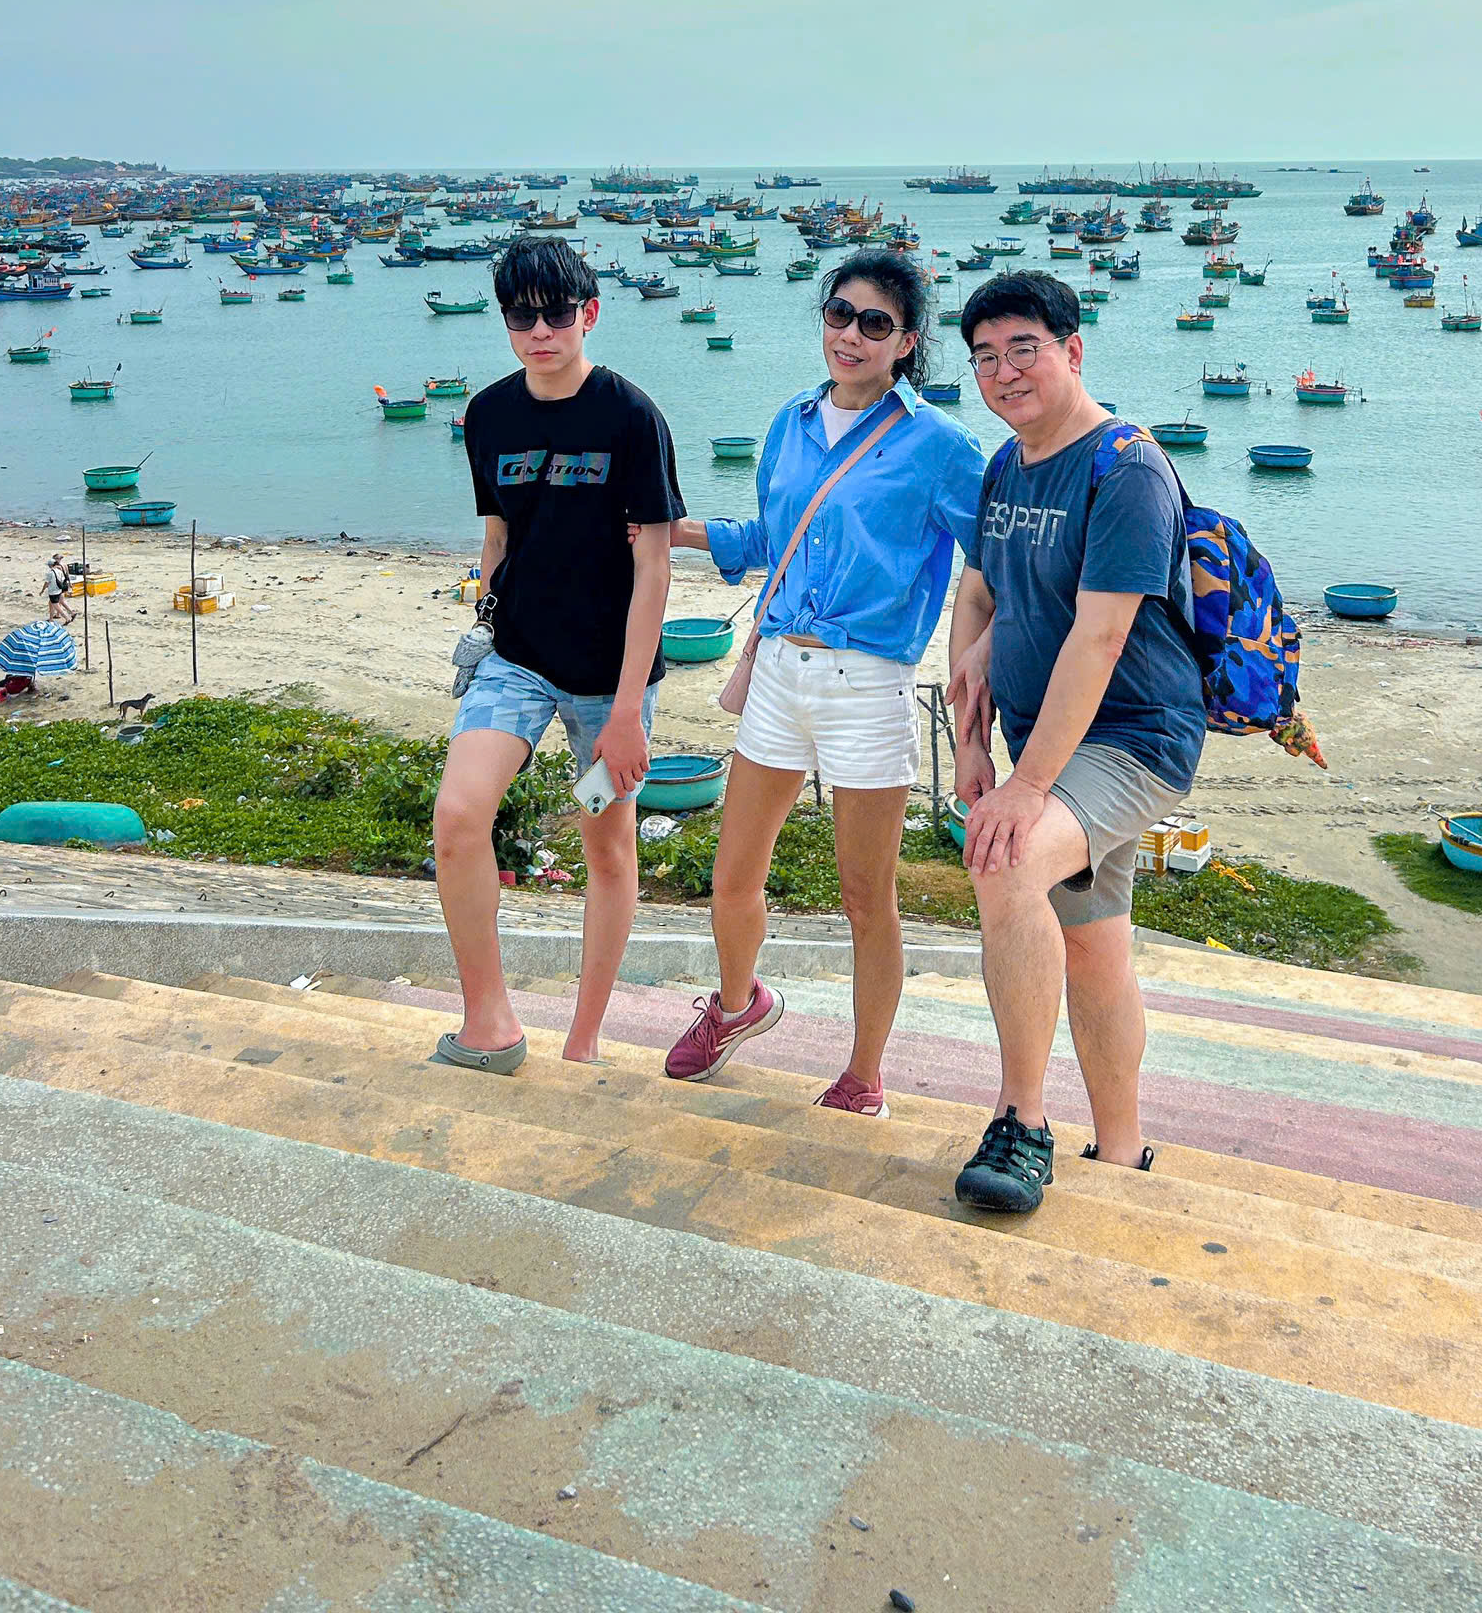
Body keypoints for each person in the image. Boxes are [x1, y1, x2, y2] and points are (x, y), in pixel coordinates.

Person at [663, 249, 984, 1115]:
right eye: (840, 314)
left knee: (865, 898)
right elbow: (774, 539)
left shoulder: (939, 446)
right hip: (778, 672)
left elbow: (997, 558)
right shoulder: (791, 423)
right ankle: (738, 1006)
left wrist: (986, 652)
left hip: (868, 684)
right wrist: (674, 531)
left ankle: (864, 1074)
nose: (851, 335)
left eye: (875, 323)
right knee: (733, 875)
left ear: (907, 342)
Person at [945, 270, 1206, 1214]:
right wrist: (971, 744)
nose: (1004, 372)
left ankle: (1021, 1123)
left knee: (1007, 862)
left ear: (1073, 351)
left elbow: (1100, 638)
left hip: (1133, 739)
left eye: (1025, 348)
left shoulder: (1126, 469)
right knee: (1094, 947)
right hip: (1047, 746)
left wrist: (1026, 789)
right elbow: (980, 596)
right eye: (985, 357)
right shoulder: (1006, 466)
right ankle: (1123, 1152)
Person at [433, 236, 683, 1072]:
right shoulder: (488, 414)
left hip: (611, 681)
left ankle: (585, 1037)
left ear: (590, 314)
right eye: (520, 316)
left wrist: (627, 712)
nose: (539, 331)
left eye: (556, 313)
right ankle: (489, 1022)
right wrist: (485, 615)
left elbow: (655, 567)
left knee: (604, 847)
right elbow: (497, 535)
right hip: (518, 658)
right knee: (458, 815)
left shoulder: (632, 417)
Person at [44, 554, 71, 629]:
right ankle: (53, 617)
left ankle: (69, 615)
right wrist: (69, 583)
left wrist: (43, 590)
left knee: (57, 603)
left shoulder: (56, 569)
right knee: (58, 602)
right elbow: (66, 576)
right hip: (62, 586)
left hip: (55, 589)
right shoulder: (64, 565)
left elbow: (48, 581)